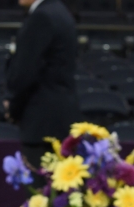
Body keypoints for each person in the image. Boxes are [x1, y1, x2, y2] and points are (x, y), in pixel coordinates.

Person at [6, 0, 81, 170]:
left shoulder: (42, 16)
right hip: (61, 120)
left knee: (41, 193)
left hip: (42, 124)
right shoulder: (61, 11)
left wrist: (13, 106)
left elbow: (25, 71)